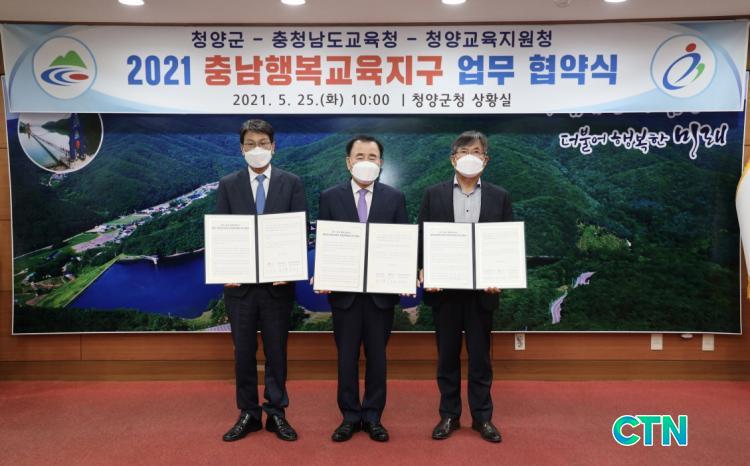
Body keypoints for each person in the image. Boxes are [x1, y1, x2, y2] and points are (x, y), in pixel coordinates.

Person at [418, 130, 513, 443]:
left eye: (476, 151)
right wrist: (424, 271)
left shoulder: (500, 196)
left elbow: (506, 243)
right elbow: (422, 238)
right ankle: (449, 415)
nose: (469, 157)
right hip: (444, 293)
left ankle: (483, 418)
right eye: (463, 152)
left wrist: (501, 275)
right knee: (447, 357)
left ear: (485, 159)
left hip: (482, 294)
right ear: (453, 159)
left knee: (480, 358)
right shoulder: (433, 194)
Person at [216, 119, 307, 442]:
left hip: (277, 287)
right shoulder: (228, 184)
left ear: (273, 147)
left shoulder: (292, 183)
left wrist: (291, 268)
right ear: (241, 149)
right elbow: (222, 233)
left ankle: (276, 412)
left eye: (263, 143)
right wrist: (224, 268)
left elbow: (299, 228)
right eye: (250, 144)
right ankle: (248, 413)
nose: (257, 149)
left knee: (276, 352)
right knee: (243, 353)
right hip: (239, 289)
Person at [316, 135, 408, 443]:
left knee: (377, 359)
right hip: (345, 296)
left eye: (372, 157)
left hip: (382, 296)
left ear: (381, 163)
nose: (366, 162)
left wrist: (405, 275)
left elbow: (402, 244)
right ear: (348, 162)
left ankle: (373, 417)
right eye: (360, 156)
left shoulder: (395, 198)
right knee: (346, 358)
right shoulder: (330, 197)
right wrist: (323, 274)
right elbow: (325, 243)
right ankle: (349, 417)